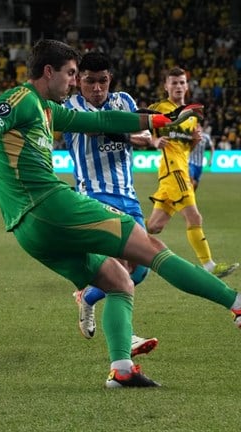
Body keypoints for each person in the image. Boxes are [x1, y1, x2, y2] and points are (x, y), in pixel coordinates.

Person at [0, 39, 241, 389]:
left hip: (28, 232)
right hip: (52, 205)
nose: (74, 83)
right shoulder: (19, 100)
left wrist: (160, 119)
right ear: (49, 72)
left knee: (120, 281)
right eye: (71, 74)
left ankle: (121, 368)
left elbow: (103, 120)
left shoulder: (48, 111)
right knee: (152, 249)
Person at [63, 51, 157, 357]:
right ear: (78, 81)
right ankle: (125, 338)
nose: (97, 89)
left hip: (128, 196)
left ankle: (89, 296)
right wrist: (129, 132)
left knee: (140, 269)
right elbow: (91, 126)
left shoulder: (125, 101)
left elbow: (144, 137)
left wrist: (134, 133)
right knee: (118, 267)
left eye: (102, 81)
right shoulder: (70, 105)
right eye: (90, 82)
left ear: (110, 80)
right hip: (94, 197)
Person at [147, 67, 239, 278]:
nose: (178, 86)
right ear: (166, 86)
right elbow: (143, 129)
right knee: (194, 217)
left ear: (187, 86)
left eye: (181, 82)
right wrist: (154, 141)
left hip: (180, 170)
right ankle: (210, 266)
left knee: (154, 227)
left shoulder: (191, 115)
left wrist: (194, 142)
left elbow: (185, 146)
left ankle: (119, 239)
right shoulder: (158, 108)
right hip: (173, 170)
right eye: (174, 83)